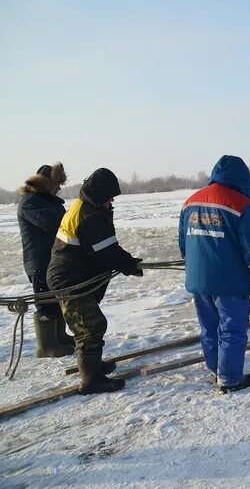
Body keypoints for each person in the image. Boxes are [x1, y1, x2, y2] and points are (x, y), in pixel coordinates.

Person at [179, 155, 250, 393]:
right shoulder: (242, 206)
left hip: (198, 280)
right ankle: (230, 378)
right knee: (231, 329)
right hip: (230, 282)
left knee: (209, 327)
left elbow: (183, 244)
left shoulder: (190, 201)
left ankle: (216, 369)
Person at [47, 168, 144, 394]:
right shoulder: (89, 214)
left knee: (89, 323)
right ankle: (91, 380)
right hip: (69, 281)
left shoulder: (87, 206)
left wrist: (126, 262)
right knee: (91, 326)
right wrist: (128, 264)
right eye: (110, 196)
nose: (111, 201)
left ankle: (94, 365)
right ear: (100, 194)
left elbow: (105, 247)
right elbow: (105, 252)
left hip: (73, 275)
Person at [17, 163, 74, 358]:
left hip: (51, 259)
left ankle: (59, 337)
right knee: (45, 301)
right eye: (56, 184)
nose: (59, 188)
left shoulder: (47, 201)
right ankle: (46, 345)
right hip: (39, 262)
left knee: (55, 298)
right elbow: (53, 223)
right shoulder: (30, 202)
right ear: (46, 183)